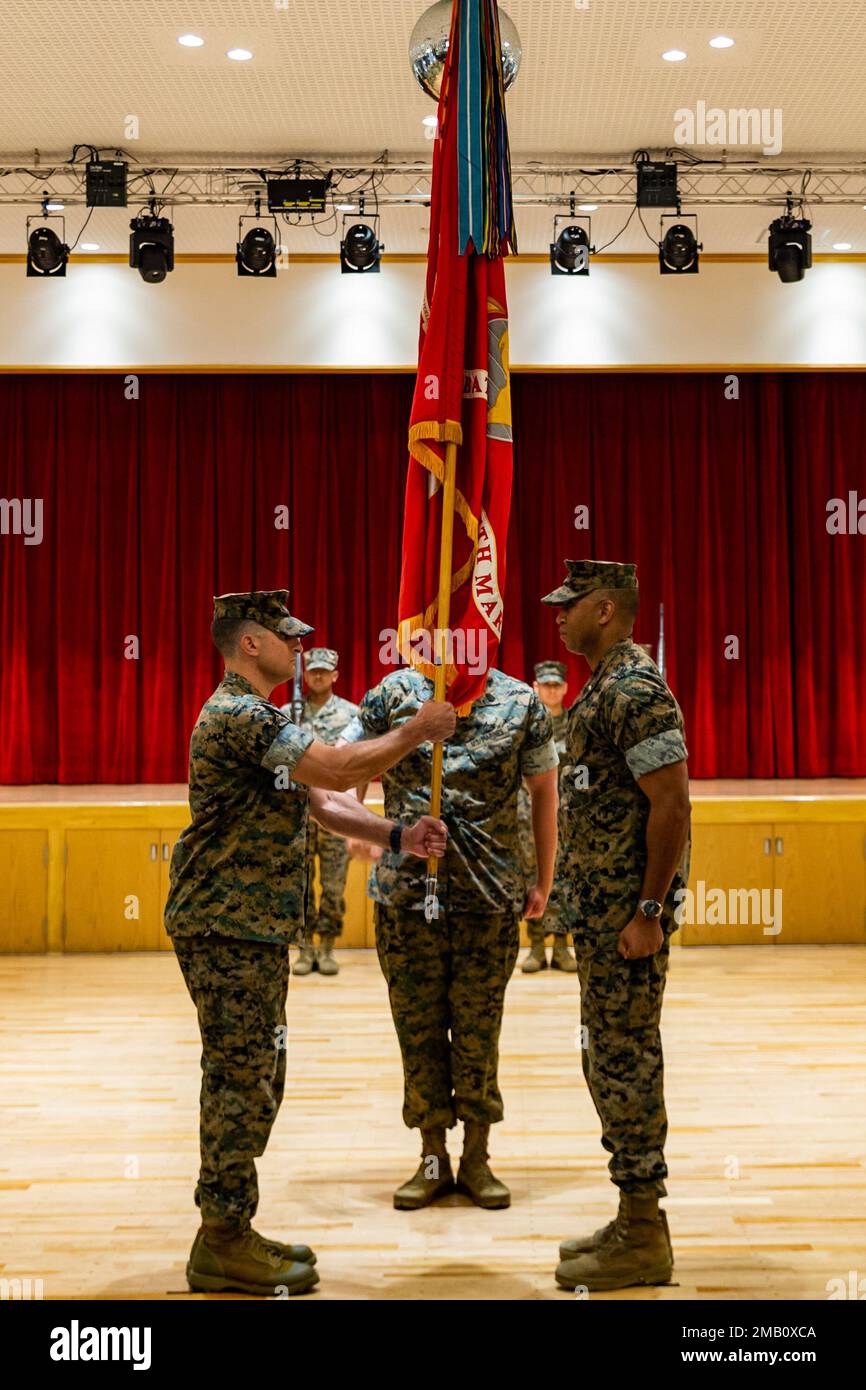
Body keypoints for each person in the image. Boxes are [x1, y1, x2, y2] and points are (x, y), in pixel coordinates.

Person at [164, 590, 455, 1297]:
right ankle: (222, 1240)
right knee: (240, 1079)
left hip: (250, 925)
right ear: (250, 642)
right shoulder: (237, 713)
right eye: (286, 636)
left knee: (259, 1077)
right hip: (225, 922)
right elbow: (337, 770)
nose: (299, 648)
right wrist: (417, 731)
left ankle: (232, 1226)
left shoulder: (265, 717)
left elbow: (319, 800)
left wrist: (395, 835)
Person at [343, 664, 559, 1211]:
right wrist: (360, 826)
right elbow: (349, 768)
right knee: (416, 1032)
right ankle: (433, 1155)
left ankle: (478, 1156)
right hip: (406, 898)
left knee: (479, 1033)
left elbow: (544, 792)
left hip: (487, 897)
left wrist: (545, 878)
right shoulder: (392, 694)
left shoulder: (518, 701)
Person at [539, 561, 691, 1293]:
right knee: (606, 1061)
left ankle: (644, 1232)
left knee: (626, 1063)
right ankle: (633, 1217)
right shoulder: (603, 686)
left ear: (604, 608)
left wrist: (650, 913)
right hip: (599, 917)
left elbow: (673, 805)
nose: (557, 617)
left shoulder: (633, 687)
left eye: (568, 606)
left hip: (626, 923)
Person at [281, 647, 358, 978]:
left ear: (335, 675)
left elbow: (359, 764)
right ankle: (306, 947)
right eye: (313, 671)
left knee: (333, 882)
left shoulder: (353, 715)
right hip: (297, 811)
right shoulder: (287, 713)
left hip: (337, 811)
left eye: (324, 671)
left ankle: (327, 945)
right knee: (300, 883)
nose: (318, 676)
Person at [518, 660, 576, 974]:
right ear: (535, 687)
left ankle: (563, 946)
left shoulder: (578, 723)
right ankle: (537, 946)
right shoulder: (524, 724)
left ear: (565, 688)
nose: (552, 690)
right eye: (546, 685)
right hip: (529, 812)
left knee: (564, 875)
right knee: (533, 874)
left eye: (557, 685)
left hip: (567, 814)